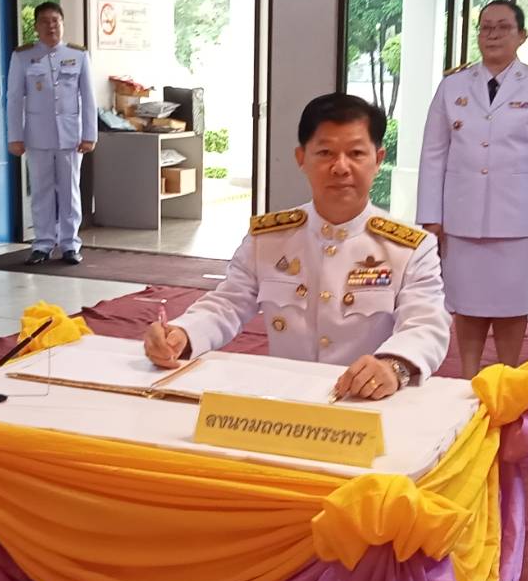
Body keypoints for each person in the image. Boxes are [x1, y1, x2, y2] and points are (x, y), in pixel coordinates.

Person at [145, 93, 450, 401]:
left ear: (378, 159)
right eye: (326, 153)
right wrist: (182, 334)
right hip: (284, 400)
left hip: (367, 402)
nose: (341, 167)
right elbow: (228, 303)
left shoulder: (409, 247)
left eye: (356, 153)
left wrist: (393, 366)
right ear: (301, 159)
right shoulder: (269, 238)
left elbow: (426, 324)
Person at [417, 0, 528, 374]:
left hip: (518, 219)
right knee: (465, 302)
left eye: (503, 27)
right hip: (462, 216)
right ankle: (468, 377)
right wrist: (430, 217)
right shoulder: (453, 84)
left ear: (521, 35)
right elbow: (433, 154)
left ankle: (506, 374)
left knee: (510, 304)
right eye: (485, 27)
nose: (493, 35)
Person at [6, 2, 94, 265]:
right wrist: (15, 136)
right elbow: (14, 99)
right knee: (41, 190)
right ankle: (42, 243)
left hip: (70, 136)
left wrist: (89, 134)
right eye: (44, 21)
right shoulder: (23, 56)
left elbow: (88, 98)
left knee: (69, 190)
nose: (50, 26)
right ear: (35, 26)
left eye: (55, 20)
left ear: (62, 24)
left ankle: (70, 244)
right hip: (37, 135)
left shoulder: (78, 55)